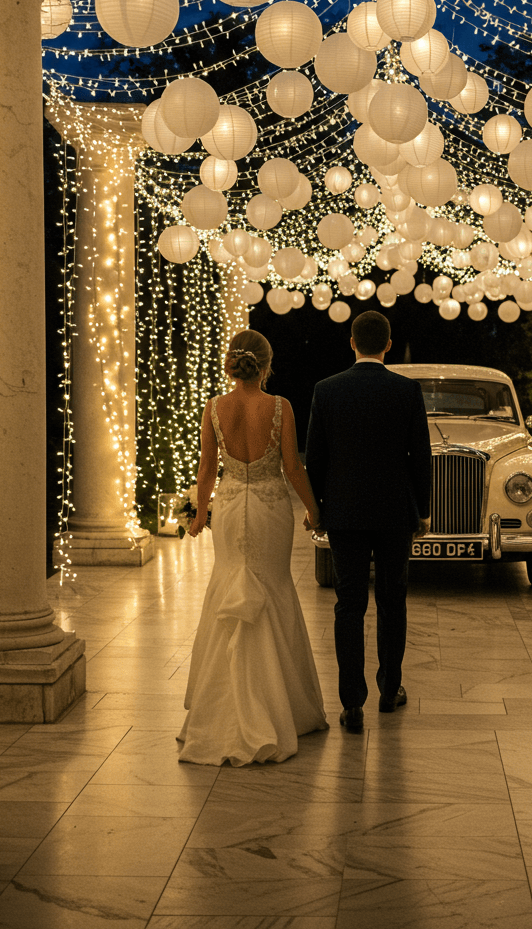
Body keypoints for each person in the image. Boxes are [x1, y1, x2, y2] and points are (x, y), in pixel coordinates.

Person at [177, 329, 328, 766]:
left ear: (233, 362)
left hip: (228, 508)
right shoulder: (280, 407)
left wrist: (200, 513)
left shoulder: (214, 408)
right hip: (269, 509)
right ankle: (281, 708)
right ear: (266, 364)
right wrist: (314, 510)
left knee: (226, 588)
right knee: (273, 591)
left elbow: (207, 468)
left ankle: (216, 711)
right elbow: (293, 466)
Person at [304, 310, 432, 731]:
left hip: (344, 513)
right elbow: (420, 456)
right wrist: (424, 511)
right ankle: (389, 689)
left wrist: (318, 510)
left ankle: (351, 702)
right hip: (396, 512)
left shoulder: (326, 390)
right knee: (393, 601)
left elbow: (316, 458)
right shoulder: (407, 390)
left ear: (352, 343)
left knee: (349, 604)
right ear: (388, 345)